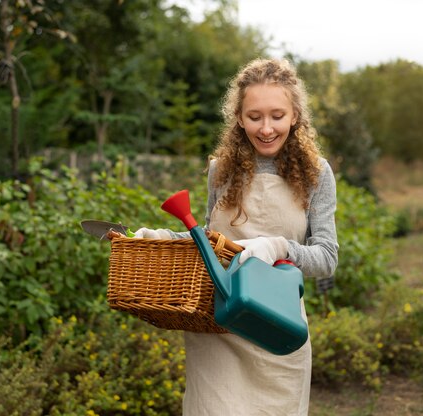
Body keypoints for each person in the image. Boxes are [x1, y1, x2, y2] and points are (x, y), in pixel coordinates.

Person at [135, 57, 339, 416]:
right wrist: (162, 240)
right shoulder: (220, 171)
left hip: (278, 328)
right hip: (220, 325)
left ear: (295, 115)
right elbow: (212, 245)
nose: (266, 128)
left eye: (277, 115)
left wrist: (277, 247)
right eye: (254, 116)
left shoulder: (316, 173)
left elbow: (326, 258)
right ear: (239, 118)